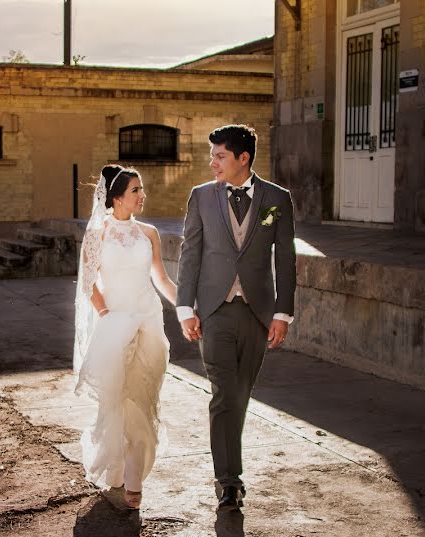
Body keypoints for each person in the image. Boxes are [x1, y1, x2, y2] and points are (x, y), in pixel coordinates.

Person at [176, 124, 297, 512]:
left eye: (219, 156)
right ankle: (228, 480)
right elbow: (190, 254)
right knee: (224, 394)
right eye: (212, 156)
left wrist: (282, 312)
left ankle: (231, 473)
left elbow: (286, 259)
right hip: (214, 310)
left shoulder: (277, 199)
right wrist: (184, 307)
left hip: (258, 314)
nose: (212, 163)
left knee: (240, 396)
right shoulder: (201, 197)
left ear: (243, 158)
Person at [73, 164, 178, 510]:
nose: (142, 195)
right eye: (136, 190)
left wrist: (187, 306)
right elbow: (89, 283)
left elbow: (161, 279)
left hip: (149, 322)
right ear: (116, 197)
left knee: (143, 400)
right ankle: (120, 469)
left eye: (141, 189)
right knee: (118, 402)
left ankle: (134, 477)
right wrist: (107, 316)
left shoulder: (149, 233)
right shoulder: (98, 233)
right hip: (115, 325)